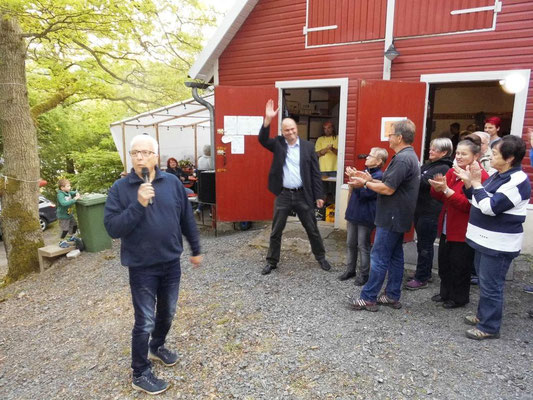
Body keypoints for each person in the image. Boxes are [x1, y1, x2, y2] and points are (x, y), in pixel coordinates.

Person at [104, 134, 202, 394]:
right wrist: (139, 204)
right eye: (135, 152)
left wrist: (196, 248)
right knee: (144, 320)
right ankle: (140, 371)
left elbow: (186, 219)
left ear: (156, 157)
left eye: (145, 152)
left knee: (168, 312)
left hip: (171, 262)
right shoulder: (120, 188)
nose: (139, 157)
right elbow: (113, 228)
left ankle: (156, 346)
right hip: (142, 266)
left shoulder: (172, 183)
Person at [455, 135, 531, 339]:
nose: (491, 157)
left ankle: (489, 327)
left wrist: (477, 184)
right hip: (483, 239)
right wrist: (469, 183)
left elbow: (490, 208)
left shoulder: (518, 181)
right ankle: (483, 316)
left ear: (509, 158)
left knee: (492, 285)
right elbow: (476, 201)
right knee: (484, 282)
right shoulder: (498, 175)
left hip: (498, 244)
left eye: (495, 154)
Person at [350, 119, 420, 311]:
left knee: (379, 257)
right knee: (395, 256)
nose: (388, 138)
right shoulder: (407, 156)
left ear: (399, 137)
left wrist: (364, 184)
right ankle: (391, 295)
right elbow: (393, 184)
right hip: (398, 215)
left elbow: (388, 189)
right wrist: (370, 179)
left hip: (392, 216)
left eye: (390, 134)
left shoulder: (403, 158)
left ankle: (369, 297)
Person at [258, 99, 332, 275]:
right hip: (283, 195)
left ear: (296, 129)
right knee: (276, 230)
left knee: (312, 229)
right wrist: (267, 119)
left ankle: (321, 257)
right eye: (286, 130)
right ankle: (272, 261)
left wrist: (319, 195)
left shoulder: (308, 147)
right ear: (282, 132)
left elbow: (315, 172)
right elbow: (261, 139)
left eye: (292, 129)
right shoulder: (278, 144)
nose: (290, 132)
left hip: (302, 195)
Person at [428, 135, 489, 309]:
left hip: (464, 228)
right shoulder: (453, 171)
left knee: (460, 265)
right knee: (445, 262)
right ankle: (445, 292)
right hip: (448, 224)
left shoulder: (479, 176)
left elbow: (467, 205)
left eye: (464, 154)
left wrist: (446, 190)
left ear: (475, 156)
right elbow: (440, 197)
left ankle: (459, 297)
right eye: (458, 153)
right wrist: (437, 187)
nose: (460, 157)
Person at [405, 138, 453, 290]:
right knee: (422, 244)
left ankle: (422, 278)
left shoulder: (444, 167)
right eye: (431, 148)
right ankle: (424, 272)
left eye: (435, 149)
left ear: (444, 152)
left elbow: (422, 181)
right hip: (420, 209)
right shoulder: (430, 165)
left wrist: (413, 177)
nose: (430, 151)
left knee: (425, 245)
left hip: (430, 211)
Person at [339, 147, 388, 286]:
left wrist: (357, 182)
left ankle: (364, 274)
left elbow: (366, 194)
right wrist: (354, 179)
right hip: (353, 213)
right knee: (350, 244)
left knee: (363, 245)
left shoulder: (379, 176)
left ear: (379, 161)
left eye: (370, 156)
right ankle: (350, 270)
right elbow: (354, 190)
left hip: (366, 216)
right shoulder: (364, 173)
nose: (366, 157)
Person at [56, 178, 80, 245]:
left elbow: (73, 192)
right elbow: (63, 203)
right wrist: (74, 199)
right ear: (62, 188)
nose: (70, 187)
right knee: (64, 229)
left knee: (74, 225)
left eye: (69, 186)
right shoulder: (60, 195)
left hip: (69, 214)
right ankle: (61, 241)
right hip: (63, 216)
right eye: (68, 186)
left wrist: (77, 193)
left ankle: (71, 237)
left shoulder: (68, 192)